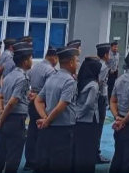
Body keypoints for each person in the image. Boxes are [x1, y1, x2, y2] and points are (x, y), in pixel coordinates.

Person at [35, 45, 79, 173]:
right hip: (64, 128)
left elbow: (38, 100)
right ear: (71, 63)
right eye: (77, 61)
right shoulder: (70, 81)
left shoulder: (52, 78)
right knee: (62, 163)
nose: (78, 64)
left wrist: (45, 118)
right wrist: (47, 120)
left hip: (49, 128)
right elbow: (61, 106)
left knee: (48, 161)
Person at [0, 42, 33, 173]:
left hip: (5, 118)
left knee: (1, 153)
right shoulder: (22, 78)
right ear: (25, 61)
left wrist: (0, 112)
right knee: (13, 156)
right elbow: (12, 102)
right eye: (31, 58)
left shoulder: (9, 76)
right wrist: (1, 118)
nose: (32, 61)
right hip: (16, 119)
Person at [26, 47, 58, 172]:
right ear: (54, 58)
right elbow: (50, 89)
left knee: (32, 132)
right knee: (42, 133)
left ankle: (29, 161)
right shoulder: (50, 71)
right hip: (43, 103)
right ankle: (39, 161)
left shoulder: (35, 67)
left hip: (32, 101)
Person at [74, 56, 103, 173]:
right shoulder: (94, 85)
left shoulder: (79, 81)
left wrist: (76, 115)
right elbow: (89, 104)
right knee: (89, 148)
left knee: (79, 148)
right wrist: (80, 115)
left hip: (78, 119)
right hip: (90, 120)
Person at [96, 43, 113, 165]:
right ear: (106, 55)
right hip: (100, 98)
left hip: (99, 98)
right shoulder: (104, 67)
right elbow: (99, 83)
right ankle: (96, 153)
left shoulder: (97, 64)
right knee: (98, 126)